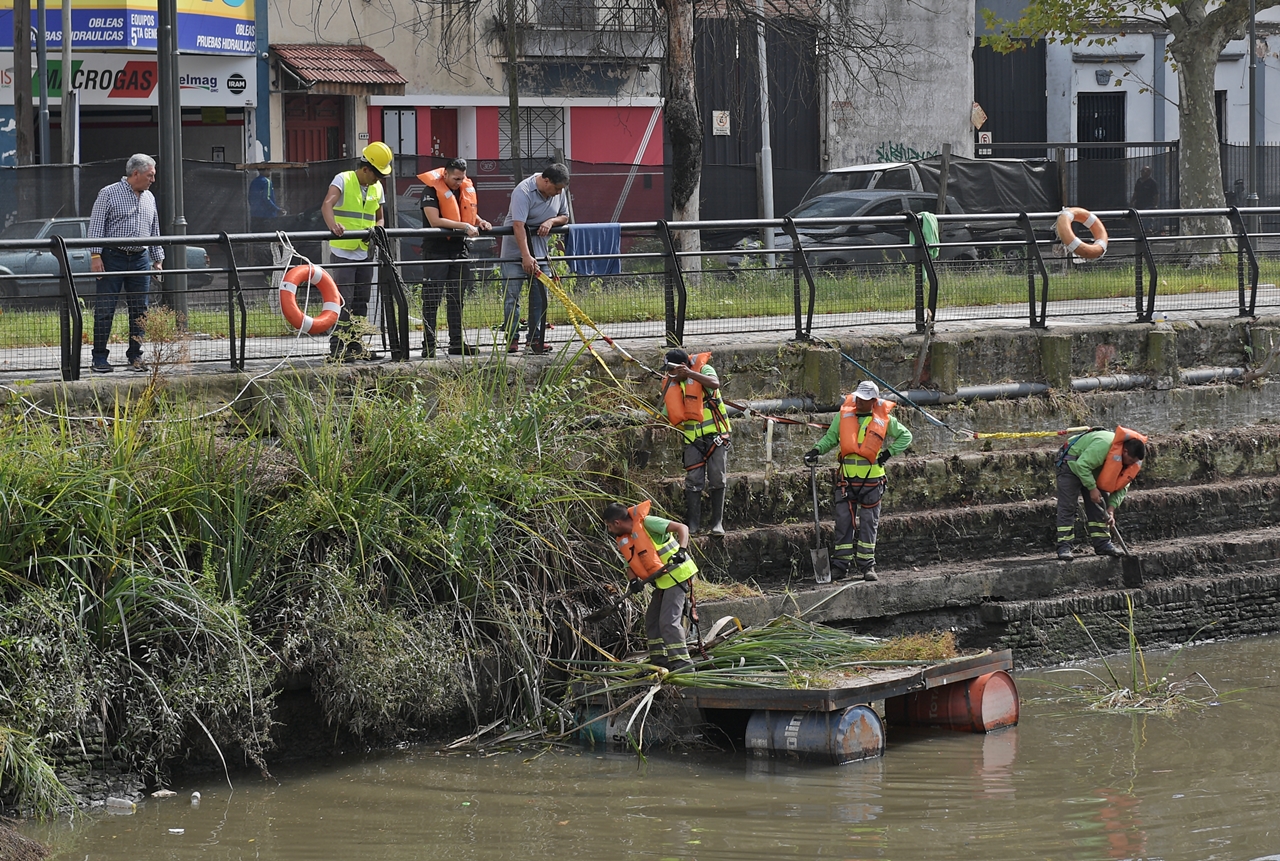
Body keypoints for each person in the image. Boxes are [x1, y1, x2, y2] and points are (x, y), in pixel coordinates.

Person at [804, 380, 913, 581]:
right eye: (857, 398)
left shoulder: (884, 419)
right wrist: (816, 450)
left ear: (874, 400)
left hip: (872, 481)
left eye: (863, 399)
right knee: (843, 522)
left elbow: (906, 436)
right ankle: (840, 567)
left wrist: (887, 454)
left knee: (868, 524)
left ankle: (867, 567)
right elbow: (830, 438)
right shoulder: (844, 416)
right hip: (847, 480)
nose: (858, 402)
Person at [87, 153, 164, 374]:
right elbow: (96, 226)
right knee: (105, 308)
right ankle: (99, 357)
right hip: (113, 257)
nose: (153, 180)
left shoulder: (149, 197)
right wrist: (95, 256)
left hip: (140, 259)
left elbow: (154, 229)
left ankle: (136, 356)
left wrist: (157, 259)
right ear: (136, 173)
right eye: (150, 175)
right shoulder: (108, 193)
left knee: (140, 309)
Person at [602, 500, 699, 671]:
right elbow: (629, 565)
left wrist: (681, 551)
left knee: (668, 622)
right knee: (652, 621)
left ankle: (683, 667)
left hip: (677, 575)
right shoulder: (625, 539)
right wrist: (633, 582)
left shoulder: (648, 523)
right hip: (662, 582)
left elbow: (682, 528)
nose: (609, 530)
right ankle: (660, 664)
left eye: (609, 526)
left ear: (617, 522)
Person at [321, 141, 392, 362]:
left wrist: (378, 228)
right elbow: (327, 204)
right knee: (344, 301)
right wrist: (333, 226)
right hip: (343, 251)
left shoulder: (377, 187)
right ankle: (337, 348)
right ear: (365, 169)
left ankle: (356, 346)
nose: (378, 179)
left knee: (362, 300)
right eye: (376, 174)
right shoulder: (343, 179)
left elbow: (379, 216)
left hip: (365, 251)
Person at [418, 158, 491, 357]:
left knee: (456, 299)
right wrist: (466, 227)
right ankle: (429, 345)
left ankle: (456, 343)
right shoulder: (431, 190)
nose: (458, 183)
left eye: (462, 179)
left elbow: (466, 213)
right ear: (446, 174)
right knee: (432, 299)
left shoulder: (463, 189)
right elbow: (435, 220)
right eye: (455, 179)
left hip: (459, 250)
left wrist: (480, 221)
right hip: (436, 251)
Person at [500, 163, 570, 354]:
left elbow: (565, 216)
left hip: (541, 254)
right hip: (515, 254)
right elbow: (518, 225)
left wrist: (550, 221)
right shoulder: (522, 191)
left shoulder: (558, 191)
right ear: (546, 180)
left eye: (561, 189)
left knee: (540, 297)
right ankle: (512, 338)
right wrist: (526, 256)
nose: (558, 192)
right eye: (556, 188)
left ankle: (536, 339)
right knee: (512, 297)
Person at [661, 348, 731, 535]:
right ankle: (693, 525)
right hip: (692, 440)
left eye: (670, 370)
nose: (668, 374)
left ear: (682, 367)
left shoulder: (704, 370)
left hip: (717, 436)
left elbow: (715, 384)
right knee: (693, 480)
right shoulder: (673, 384)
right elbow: (666, 416)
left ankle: (717, 524)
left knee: (717, 478)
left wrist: (691, 374)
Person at [1055, 426, 1147, 560]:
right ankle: (1064, 546)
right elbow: (1082, 465)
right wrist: (1092, 488)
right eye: (1131, 461)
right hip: (1071, 464)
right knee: (1068, 506)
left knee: (1100, 506)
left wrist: (1111, 509)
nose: (1131, 465)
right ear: (1125, 451)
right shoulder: (1104, 445)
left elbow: (1122, 485)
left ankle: (1103, 544)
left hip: (1093, 469)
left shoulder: (1130, 462)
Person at [248, 167, 285, 232]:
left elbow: (250, 197)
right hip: (267, 216)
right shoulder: (267, 182)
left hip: (255, 215)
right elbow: (267, 198)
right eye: (269, 170)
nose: (270, 172)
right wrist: (277, 209)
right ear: (265, 170)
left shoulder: (254, 182)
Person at [1131, 165, 1159, 234]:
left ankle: (1147, 232)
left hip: (1148, 204)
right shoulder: (1139, 181)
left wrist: (1155, 205)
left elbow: (1156, 195)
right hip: (1139, 204)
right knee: (1138, 219)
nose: (1143, 173)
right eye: (1142, 171)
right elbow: (1136, 192)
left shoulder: (1152, 183)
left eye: (1145, 171)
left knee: (1147, 220)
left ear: (1149, 172)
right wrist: (1132, 201)